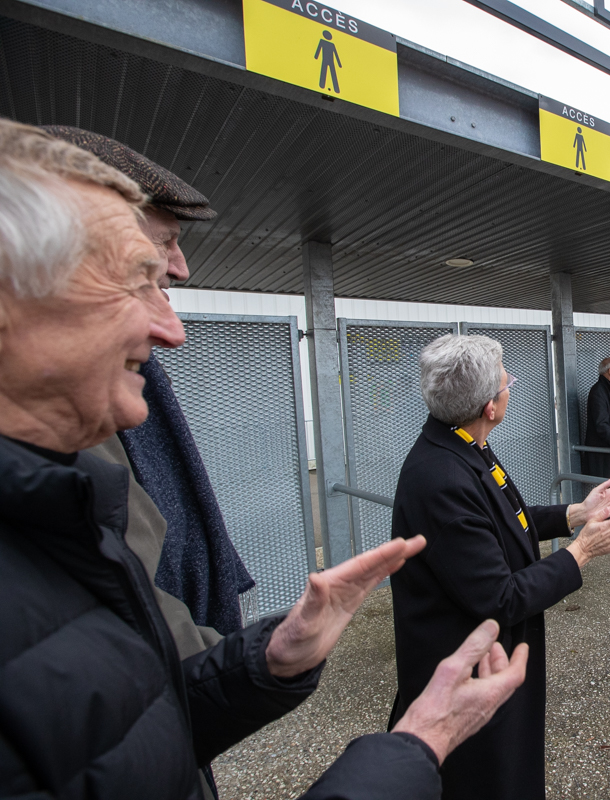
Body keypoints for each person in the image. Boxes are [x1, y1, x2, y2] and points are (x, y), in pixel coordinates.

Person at [0, 120, 524, 800]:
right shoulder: (439, 466)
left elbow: (113, 734)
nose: (172, 329)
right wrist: (415, 749)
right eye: (140, 278)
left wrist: (263, 661)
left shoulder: (59, 516)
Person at [388, 334, 610, 800]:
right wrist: (582, 551)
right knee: (486, 780)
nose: (511, 385)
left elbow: (506, 523)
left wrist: (575, 515)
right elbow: (500, 596)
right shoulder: (442, 477)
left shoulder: (464, 443)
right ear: (490, 406)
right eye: (508, 380)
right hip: (466, 676)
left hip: (485, 664)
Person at [41, 124, 251, 662]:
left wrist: (266, 662)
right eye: (159, 250)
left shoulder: (111, 390)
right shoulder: (60, 433)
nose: (181, 267)